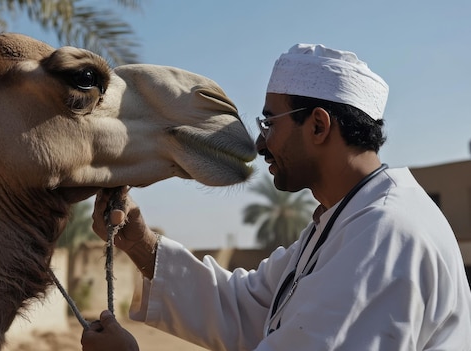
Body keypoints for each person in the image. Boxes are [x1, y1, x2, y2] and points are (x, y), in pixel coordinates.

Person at [81, 44, 471, 350]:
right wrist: (140, 243)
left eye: (270, 122)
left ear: (318, 125)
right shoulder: (346, 220)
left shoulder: (384, 235)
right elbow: (249, 308)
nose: (261, 142)